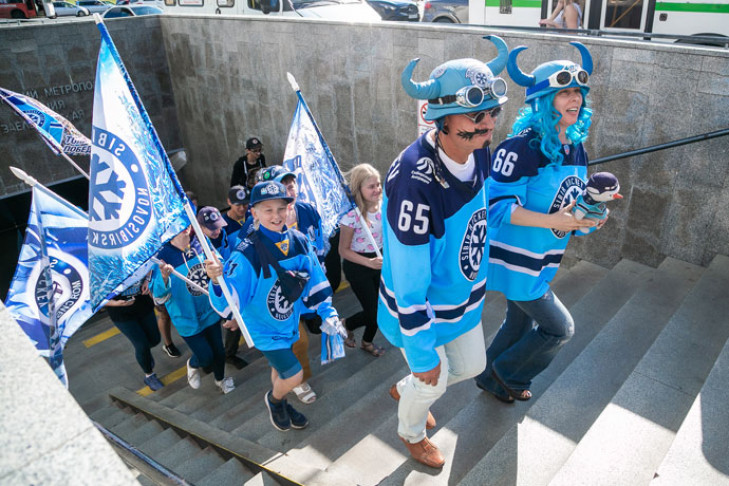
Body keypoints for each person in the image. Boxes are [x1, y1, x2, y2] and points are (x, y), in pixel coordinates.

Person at [377, 35, 510, 469]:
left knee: (471, 367)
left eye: (494, 111)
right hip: (425, 308)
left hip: (461, 296)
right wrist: (420, 352)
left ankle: (410, 387)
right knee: (433, 380)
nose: (489, 124)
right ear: (443, 119)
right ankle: (410, 432)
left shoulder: (478, 149)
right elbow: (408, 273)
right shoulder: (414, 184)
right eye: (477, 115)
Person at [474, 42, 599, 404]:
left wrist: (590, 216)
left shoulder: (575, 145)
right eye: (564, 93)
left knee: (518, 322)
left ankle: (488, 377)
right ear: (544, 100)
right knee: (559, 328)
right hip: (518, 260)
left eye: (578, 92)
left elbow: (570, 201)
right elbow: (496, 207)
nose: (575, 99)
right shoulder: (520, 147)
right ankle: (508, 373)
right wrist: (554, 219)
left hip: (545, 255)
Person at [205, 180, 344, 432]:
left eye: (281, 208)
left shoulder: (299, 240)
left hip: (288, 322)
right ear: (254, 212)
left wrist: (327, 311)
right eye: (267, 210)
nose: (276, 215)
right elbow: (230, 301)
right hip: (263, 329)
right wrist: (217, 280)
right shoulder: (246, 252)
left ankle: (280, 401)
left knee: (280, 371)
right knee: (294, 375)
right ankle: (275, 401)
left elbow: (315, 279)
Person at [149, 226, 234, 394]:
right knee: (205, 356)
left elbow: (219, 261)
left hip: (210, 310)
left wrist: (217, 267)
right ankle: (193, 364)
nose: (187, 230)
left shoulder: (201, 242)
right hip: (186, 317)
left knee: (219, 351)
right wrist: (164, 278)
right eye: (181, 228)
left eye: (186, 226)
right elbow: (158, 295)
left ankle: (220, 379)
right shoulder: (161, 257)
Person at [339, 163, 385, 357]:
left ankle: (354, 330)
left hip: (380, 261)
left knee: (381, 308)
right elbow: (343, 250)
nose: (377, 189)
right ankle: (361, 337)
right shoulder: (351, 216)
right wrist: (368, 263)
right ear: (359, 189)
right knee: (373, 312)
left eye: (378, 184)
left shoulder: (384, 205)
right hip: (359, 266)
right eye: (371, 186)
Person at [197, 206, 249, 370]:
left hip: (227, 281)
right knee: (212, 328)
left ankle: (229, 353)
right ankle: (207, 360)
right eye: (212, 228)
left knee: (234, 316)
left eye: (219, 225)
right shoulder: (199, 246)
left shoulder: (223, 233)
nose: (217, 231)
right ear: (200, 228)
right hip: (209, 289)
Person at [105, 276, 164, 391]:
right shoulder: (99, 268)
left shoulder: (132, 257)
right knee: (141, 345)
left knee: (155, 339)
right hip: (121, 314)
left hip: (143, 305)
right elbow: (93, 300)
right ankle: (149, 375)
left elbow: (148, 265)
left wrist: (147, 281)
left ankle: (145, 354)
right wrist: (115, 303)